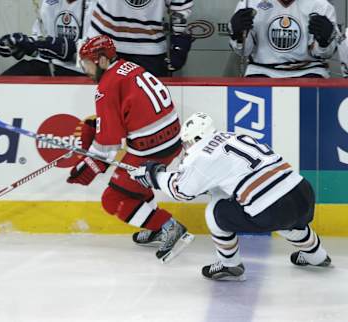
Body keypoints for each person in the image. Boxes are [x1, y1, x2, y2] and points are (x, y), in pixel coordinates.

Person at [130, 112, 332, 280]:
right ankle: (317, 256)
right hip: (303, 192)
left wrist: (154, 176)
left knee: (215, 211)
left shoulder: (202, 154)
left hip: (273, 209)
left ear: (195, 139)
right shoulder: (234, 136)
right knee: (285, 217)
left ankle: (229, 265)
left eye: (186, 144)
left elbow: (182, 191)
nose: (186, 149)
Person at [66, 35, 193, 263]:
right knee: (133, 185)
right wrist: (95, 130)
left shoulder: (106, 87)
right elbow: (125, 117)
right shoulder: (129, 66)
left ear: (102, 60)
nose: (85, 69)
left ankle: (168, 226)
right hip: (172, 140)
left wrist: (89, 165)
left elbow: (109, 142)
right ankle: (155, 228)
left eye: (87, 63)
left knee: (113, 199)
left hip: (150, 150)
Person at [229, 0, 338, 78]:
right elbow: (243, 51)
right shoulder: (250, 3)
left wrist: (324, 42)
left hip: (309, 71)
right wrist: (237, 36)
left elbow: (325, 54)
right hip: (261, 70)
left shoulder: (321, 4)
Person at [86, 0, 194, 77]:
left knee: (148, 105)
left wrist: (179, 37)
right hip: (105, 44)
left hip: (150, 49)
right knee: (105, 102)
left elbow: (180, 6)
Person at [0, 0, 95, 76]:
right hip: (47, 65)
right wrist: (24, 44)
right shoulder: (49, 3)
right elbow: (42, 42)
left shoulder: (99, 5)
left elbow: (104, 54)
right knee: (5, 82)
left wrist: (71, 49)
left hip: (82, 72)